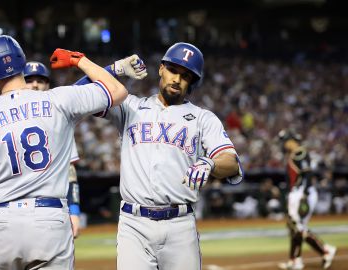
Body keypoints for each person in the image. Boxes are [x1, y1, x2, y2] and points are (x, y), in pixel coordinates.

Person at [0, 35, 128, 270]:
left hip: (2, 224)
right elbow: (117, 90)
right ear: (22, 62)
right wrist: (79, 61)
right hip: (50, 220)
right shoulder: (59, 99)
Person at [76, 42, 244, 270]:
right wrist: (114, 69)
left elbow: (231, 162)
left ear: (192, 82)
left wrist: (209, 163)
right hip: (134, 224)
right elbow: (76, 95)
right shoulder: (129, 107)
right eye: (174, 70)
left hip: (180, 224)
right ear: (161, 68)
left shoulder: (203, 118)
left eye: (186, 76)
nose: (177, 79)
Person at [0, 61, 84, 238]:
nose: (35, 84)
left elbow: (70, 172)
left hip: (48, 211)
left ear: (48, 86)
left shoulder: (61, 121)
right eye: (29, 79)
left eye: (41, 80)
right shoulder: (0, 116)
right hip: (8, 209)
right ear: (21, 81)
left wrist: (74, 211)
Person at [277, 129, 336, 270]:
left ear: (291, 140)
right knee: (294, 228)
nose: (284, 145)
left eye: (285, 141)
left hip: (301, 193)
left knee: (297, 227)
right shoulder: (294, 154)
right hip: (297, 193)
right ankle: (295, 260)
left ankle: (326, 250)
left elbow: (308, 174)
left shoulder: (300, 153)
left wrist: (305, 194)